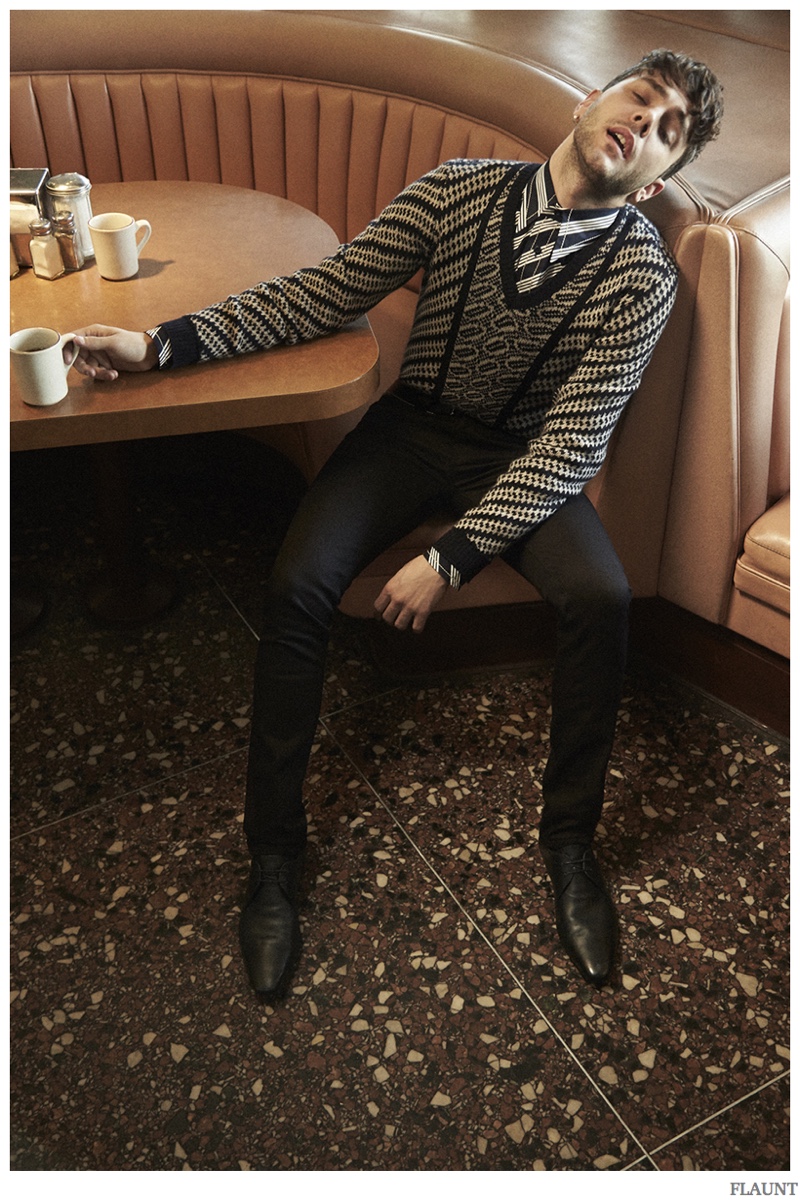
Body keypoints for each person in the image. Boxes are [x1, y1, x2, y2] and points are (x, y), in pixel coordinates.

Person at [68, 50, 723, 994]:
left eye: (669, 131)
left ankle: (571, 844)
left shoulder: (641, 275)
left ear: (659, 180)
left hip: (521, 459)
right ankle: (274, 860)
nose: (644, 123)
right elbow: (323, 293)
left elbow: (574, 444)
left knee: (602, 597)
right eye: (640, 98)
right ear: (592, 100)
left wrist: (450, 559)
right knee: (297, 585)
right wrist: (158, 344)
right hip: (410, 431)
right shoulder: (458, 190)